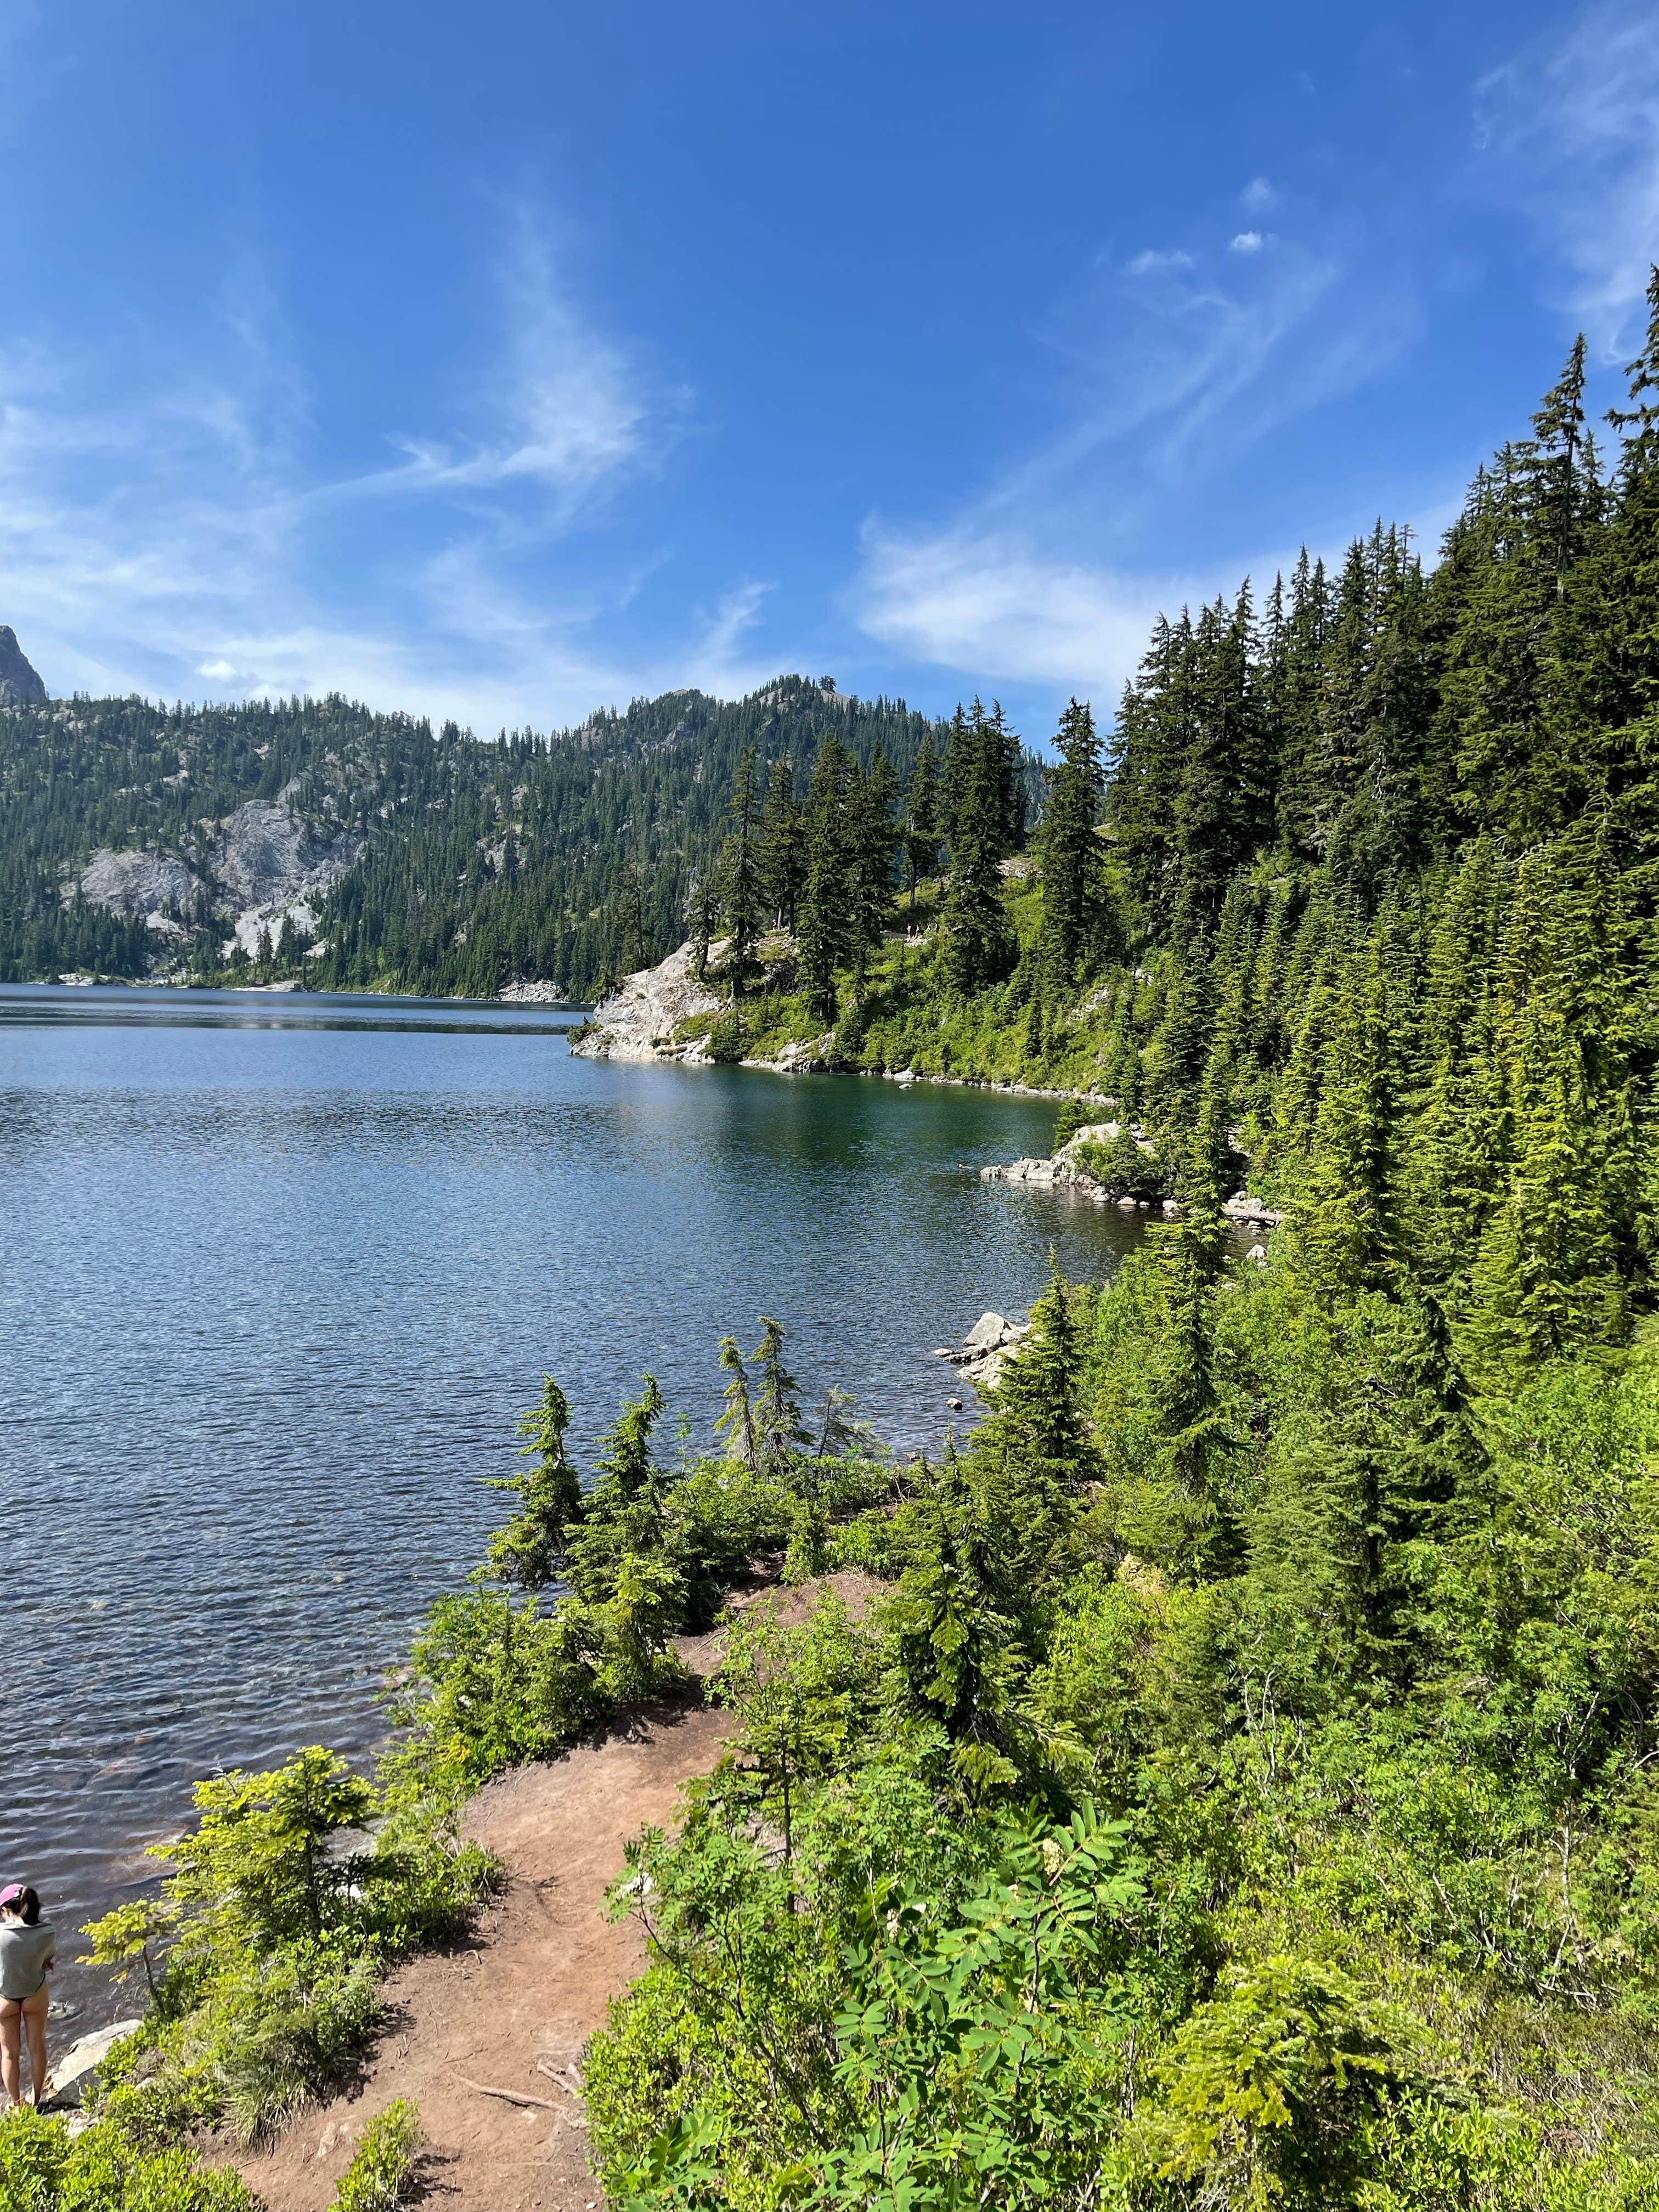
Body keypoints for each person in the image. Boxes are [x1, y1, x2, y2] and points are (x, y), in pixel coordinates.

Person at [0, 1883, 54, 2109]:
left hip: (5, 1998)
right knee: (37, 2046)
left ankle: (17, 2104)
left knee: (9, 2054)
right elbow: (47, 1960)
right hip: (35, 1993)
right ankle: (37, 2098)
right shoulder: (48, 1931)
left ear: (6, 1910)